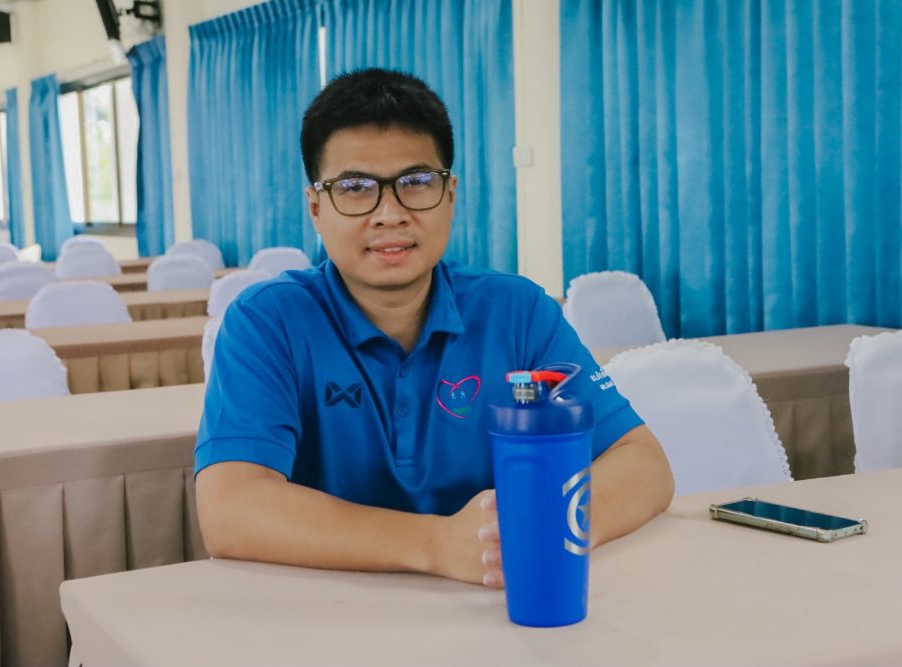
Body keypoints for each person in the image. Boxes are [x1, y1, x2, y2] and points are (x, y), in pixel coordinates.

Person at [195, 68, 674, 588]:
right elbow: (230, 507)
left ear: (450, 194)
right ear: (316, 206)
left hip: (493, 602)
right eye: (354, 188)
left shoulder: (517, 311)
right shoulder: (266, 322)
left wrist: (542, 529)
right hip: (327, 610)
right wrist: (436, 544)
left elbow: (642, 463)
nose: (389, 214)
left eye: (416, 182)